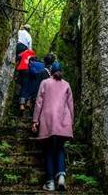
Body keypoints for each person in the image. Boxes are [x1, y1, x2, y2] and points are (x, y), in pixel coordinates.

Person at [32, 62, 74, 192]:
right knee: (60, 149)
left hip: (48, 120)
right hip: (63, 120)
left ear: (50, 71)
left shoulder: (45, 83)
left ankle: (50, 182)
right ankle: (61, 176)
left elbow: (39, 102)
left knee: (49, 150)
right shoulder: (66, 84)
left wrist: (35, 120)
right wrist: (71, 122)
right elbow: (71, 105)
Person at [15, 46, 36, 115]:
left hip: (22, 70)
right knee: (29, 85)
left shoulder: (22, 54)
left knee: (23, 85)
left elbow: (17, 60)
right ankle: (28, 102)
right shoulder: (31, 53)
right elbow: (34, 62)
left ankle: (21, 104)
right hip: (29, 70)